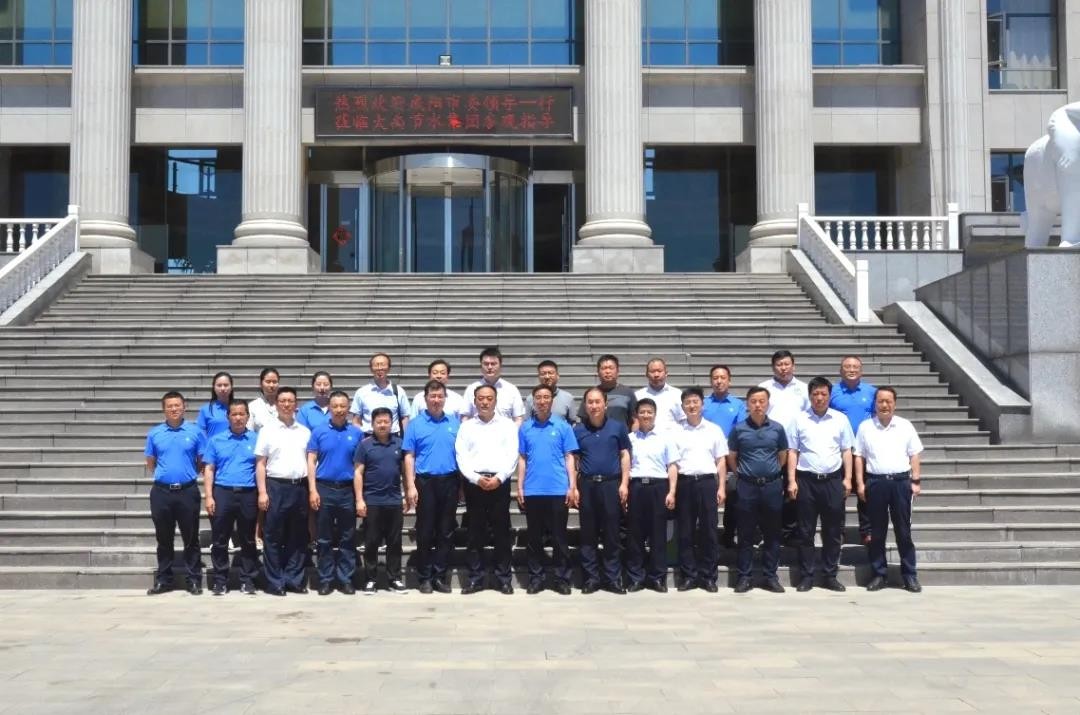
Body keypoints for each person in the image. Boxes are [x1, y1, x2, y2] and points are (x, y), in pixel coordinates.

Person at [786, 377, 854, 593]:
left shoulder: (840, 419)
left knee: (833, 531)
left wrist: (848, 478)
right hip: (806, 481)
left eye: (823, 394)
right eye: (815, 394)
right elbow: (792, 451)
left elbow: (846, 451)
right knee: (805, 531)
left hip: (832, 480)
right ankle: (806, 575)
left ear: (829, 396)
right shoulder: (799, 419)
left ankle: (829, 575)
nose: (819, 398)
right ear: (810, 396)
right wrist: (791, 480)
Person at [854, 386, 924, 593]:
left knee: (903, 531)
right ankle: (879, 574)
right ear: (875, 404)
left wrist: (916, 480)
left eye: (888, 401)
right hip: (875, 483)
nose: (884, 405)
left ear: (894, 403)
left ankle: (909, 575)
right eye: (880, 401)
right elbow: (859, 456)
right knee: (877, 532)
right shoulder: (865, 427)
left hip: (900, 483)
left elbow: (914, 454)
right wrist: (860, 483)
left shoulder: (905, 426)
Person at [455, 384, 519, 594]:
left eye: (489, 398)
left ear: (495, 401)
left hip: (500, 483)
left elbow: (512, 454)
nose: (484, 402)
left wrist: (499, 478)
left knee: (501, 532)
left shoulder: (507, 425)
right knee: (475, 533)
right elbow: (461, 456)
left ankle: (503, 579)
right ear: (474, 401)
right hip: (475, 484)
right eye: (480, 398)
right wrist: (475, 478)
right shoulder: (466, 427)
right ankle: (475, 578)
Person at [518, 384, 579, 595]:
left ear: (552, 401)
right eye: (538, 398)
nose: (542, 401)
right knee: (534, 538)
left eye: (546, 397)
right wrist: (520, 486)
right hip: (533, 490)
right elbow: (522, 458)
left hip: (558, 489)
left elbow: (569, 457)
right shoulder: (525, 428)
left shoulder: (563, 426)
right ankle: (536, 578)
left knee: (559, 537)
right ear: (533, 401)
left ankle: (562, 578)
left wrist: (572, 486)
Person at [727, 386, 789, 594]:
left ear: (768, 404)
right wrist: (741, 473)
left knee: (772, 533)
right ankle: (744, 577)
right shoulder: (739, 429)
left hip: (771, 486)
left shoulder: (777, 429)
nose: (758, 405)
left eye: (762, 401)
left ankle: (770, 577)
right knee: (745, 533)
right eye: (753, 401)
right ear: (747, 404)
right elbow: (732, 456)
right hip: (747, 486)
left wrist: (772, 472)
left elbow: (782, 455)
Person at [403, 380, 462, 594]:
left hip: (450, 481)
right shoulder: (415, 424)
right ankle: (425, 577)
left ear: (445, 398)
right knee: (425, 531)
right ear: (425, 398)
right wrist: (410, 485)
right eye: (432, 396)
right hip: (425, 482)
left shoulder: (455, 423)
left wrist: (461, 486)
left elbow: (461, 455)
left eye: (440, 396)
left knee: (446, 531)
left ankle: (439, 576)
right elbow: (409, 456)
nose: (436, 400)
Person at [144, 391, 205, 596]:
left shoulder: (195, 432)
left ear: (184, 407)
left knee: (191, 538)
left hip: (187, 491)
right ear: (164, 409)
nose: (174, 409)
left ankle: (193, 580)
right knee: (164, 538)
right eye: (169, 406)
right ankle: (164, 580)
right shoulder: (155, 433)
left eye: (177, 405)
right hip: (162, 492)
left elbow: (201, 461)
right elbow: (151, 463)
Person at [574, 387, 632, 594]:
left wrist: (624, 483)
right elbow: (574, 459)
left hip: (611, 485)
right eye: (590, 402)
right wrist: (574, 487)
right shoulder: (578, 430)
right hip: (587, 485)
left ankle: (612, 578)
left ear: (605, 404)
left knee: (612, 533)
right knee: (588, 534)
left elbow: (624, 455)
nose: (594, 406)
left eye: (598, 401)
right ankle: (591, 578)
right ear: (585, 405)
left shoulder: (618, 427)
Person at [255, 387, 312, 596]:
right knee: (272, 536)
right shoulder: (267, 430)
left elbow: (311, 462)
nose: (286, 405)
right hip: (276, 486)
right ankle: (275, 581)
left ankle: (293, 579)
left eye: (290, 401)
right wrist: (262, 492)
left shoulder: (305, 431)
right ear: (276, 404)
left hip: (300, 487)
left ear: (296, 404)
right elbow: (261, 463)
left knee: (297, 536)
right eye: (282, 401)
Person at [307, 390, 364, 596]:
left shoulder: (357, 433)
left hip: (347, 490)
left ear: (348, 408)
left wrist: (359, 497)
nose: (339, 410)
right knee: (324, 538)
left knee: (348, 537)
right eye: (335, 406)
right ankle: (325, 579)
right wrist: (312, 489)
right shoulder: (318, 432)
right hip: (324, 488)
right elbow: (311, 461)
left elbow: (359, 467)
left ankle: (346, 578)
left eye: (343, 406)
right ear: (329, 408)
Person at [671, 387, 727, 593]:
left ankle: (708, 576)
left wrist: (722, 487)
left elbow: (721, 460)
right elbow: (673, 463)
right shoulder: (675, 431)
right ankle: (689, 576)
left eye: (695, 401)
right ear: (682, 406)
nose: (692, 406)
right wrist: (673, 490)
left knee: (709, 531)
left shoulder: (714, 430)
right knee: (685, 531)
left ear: (702, 404)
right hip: (685, 483)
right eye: (688, 402)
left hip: (707, 483)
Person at [202, 398, 259, 596]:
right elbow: (209, 469)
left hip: (248, 492)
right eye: (234, 414)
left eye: (242, 414)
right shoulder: (216, 440)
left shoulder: (256, 439)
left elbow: (261, 467)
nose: (238, 418)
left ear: (248, 416)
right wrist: (209, 496)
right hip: (223, 492)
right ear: (228, 417)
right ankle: (220, 580)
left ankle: (248, 580)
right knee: (220, 539)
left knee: (248, 539)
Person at [354, 407, 408, 594]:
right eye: (379, 422)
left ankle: (395, 578)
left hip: (394, 500)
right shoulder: (365, 445)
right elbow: (358, 473)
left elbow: (405, 472)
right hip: (372, 501)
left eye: (386, 421)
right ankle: (370, 579)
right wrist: (359, 499)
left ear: (392, 423)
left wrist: (406, 494)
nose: (383, 425)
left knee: (395, 542)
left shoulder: (399, 444)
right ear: (372, 424)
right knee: (371, 541)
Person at [625, 398, 677, 593]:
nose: (646, 415)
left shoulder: (665, 438)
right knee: (635, 534)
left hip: (658, 487)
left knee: (658, 534)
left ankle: (657, 578)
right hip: (636, 487)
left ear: (655, 414)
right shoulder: (629, 439)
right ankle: (636, 577)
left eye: (649, 412)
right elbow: (625, 465)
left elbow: (672, 466)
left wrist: (672, 491)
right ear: (636, 415)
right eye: (642, 412)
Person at [758, 350, 809, 542]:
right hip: (769, 449)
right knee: (767, 491)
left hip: (795, 448)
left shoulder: (804, 389)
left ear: (793, 366)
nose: (783, 368)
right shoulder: (764, 388)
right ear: (773, 367)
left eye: (787, 364)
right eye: (779, 364)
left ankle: (789, 531)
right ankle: (767, 531)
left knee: (792, 490)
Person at [830, 355, 877, 546]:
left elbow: (878, 417)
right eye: (847, 366)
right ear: (841, 370)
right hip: (839, 449)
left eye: (855, 367)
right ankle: (838, 531)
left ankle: (867, 530)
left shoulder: (871, 392)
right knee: (838, 493)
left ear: (861, 371)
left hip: (864, 450)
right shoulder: (832, 392)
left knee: (865, 492)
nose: (851, 370)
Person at [702, 364, 748, 547]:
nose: (719, 381)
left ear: (730, 380)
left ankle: (729, 533)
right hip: (706, 457)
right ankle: (707, 534)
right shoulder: (703, 404)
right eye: (715, 378)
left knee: (733, 495)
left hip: (730, 456)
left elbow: (740, 430)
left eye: (722, 378)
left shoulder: (738, 405)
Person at [350, 352, 410, 435]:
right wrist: (362, 437)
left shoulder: (399, 391)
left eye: (383, 365)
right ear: (371, 369)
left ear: (389, 368)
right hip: (369, 436)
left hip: (393, 437)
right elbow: (356, 420)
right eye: (376, 365)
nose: (379, 368)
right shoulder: (362, 392)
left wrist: (404, 437)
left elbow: (405, 417)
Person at [463, 347, 525, 424]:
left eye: (493, 364)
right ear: (481, 366)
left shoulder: (511, 390)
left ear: (500, 366)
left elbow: (518, 418)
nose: (489, 367)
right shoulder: (471, 389)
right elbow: (465, 417)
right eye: (486, 364)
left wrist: (512, 431)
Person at [578, 354, 637, 428]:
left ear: (618, 371)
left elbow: (635, 420)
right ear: (598, 372)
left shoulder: (627, 393)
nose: (607, 371)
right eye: (604, 368)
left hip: (621, 435)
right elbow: (583, 419)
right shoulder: (591, 394)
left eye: (611, 368)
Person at [634, 357, 684, 431]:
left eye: (659, 371)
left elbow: (683, 420)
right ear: (646, 374)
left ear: (666, 373)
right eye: (652, 371)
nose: (656, 374)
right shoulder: (638, 396)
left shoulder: (677, 394)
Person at [197, 371, 234, 439]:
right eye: (219, 385)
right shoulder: (206, 410)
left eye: (226, 385)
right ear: (214, 388)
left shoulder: (237, 408)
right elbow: (200, 434)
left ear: (231, 387)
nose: (222, 388)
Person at [247, 367, 280, 432]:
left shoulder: (285, 405)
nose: (271, 385)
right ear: (261, 384)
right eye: (268, 382)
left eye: (274, 382)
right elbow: (250, 431)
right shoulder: (253, 406)